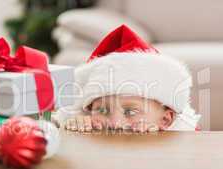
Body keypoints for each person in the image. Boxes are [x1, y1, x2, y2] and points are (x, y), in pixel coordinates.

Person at [54, 24, 200, 132]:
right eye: (103, 111)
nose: (115, 124)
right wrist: (73, 125)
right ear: (88, 110)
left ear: (166, 120)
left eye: (131, 112)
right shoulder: (88, 123)